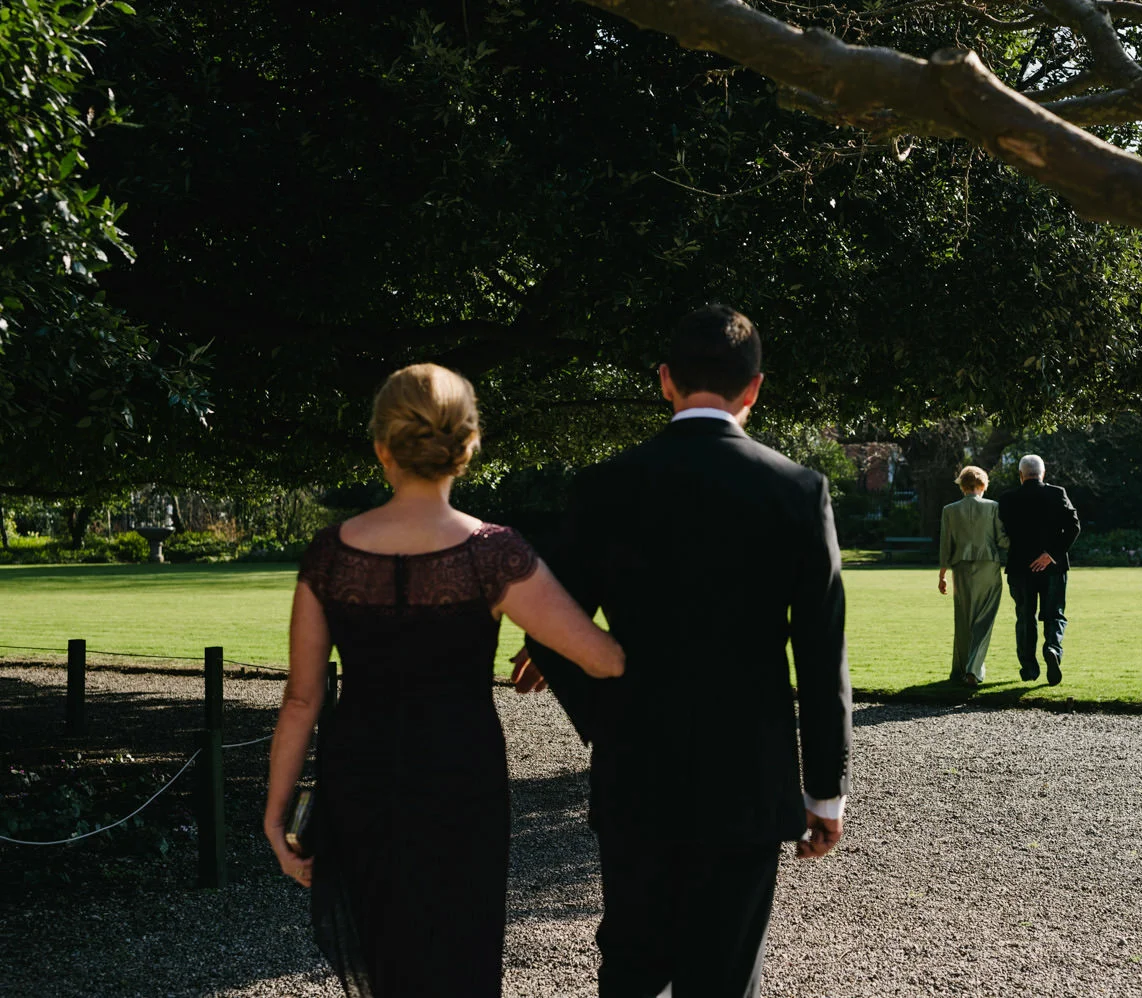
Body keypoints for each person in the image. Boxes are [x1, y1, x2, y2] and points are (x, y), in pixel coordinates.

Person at [513, 304, 853, 998]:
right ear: (754, 388)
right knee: (723, 977)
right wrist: (824, 789)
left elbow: (551, 624)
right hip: (747, 773)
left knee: (631, 970)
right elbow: (822, 654)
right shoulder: (796, 489)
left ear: (665, 381)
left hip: (636, 766)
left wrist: (605, 717)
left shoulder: (606, 484)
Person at [262, 364, 625, 998]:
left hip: (360, 774)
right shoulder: (494, 553)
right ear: (468, 447)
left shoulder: (330, 553)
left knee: (387, 959)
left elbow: (302, 697)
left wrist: (275, 814)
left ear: (381, 447)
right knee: (460, 951)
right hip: (462, 780)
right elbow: (604, 659)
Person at [995, 454, 1080, 686]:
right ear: (1043, 473)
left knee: (1025, 617)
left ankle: (1029, 668)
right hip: (1053, 567)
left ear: (1021, 475)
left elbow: (1005, 529)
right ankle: (1052, 648)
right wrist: (1050, 554)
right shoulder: (1057, 493)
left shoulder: (1007, 499)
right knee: (1054, 614)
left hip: (1020, 567)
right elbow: (1074, 526)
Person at [937, 466, 1007, 687]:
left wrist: (942, 575)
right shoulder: (993, 507)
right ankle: (973, 670)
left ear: (962, 486)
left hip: (961, 568)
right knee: (984, 619)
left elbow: (945, 544)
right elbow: (1003, 540)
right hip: (988, 565)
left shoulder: (950, 510)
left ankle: (959, 669)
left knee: (963, 619)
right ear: (983, 485)